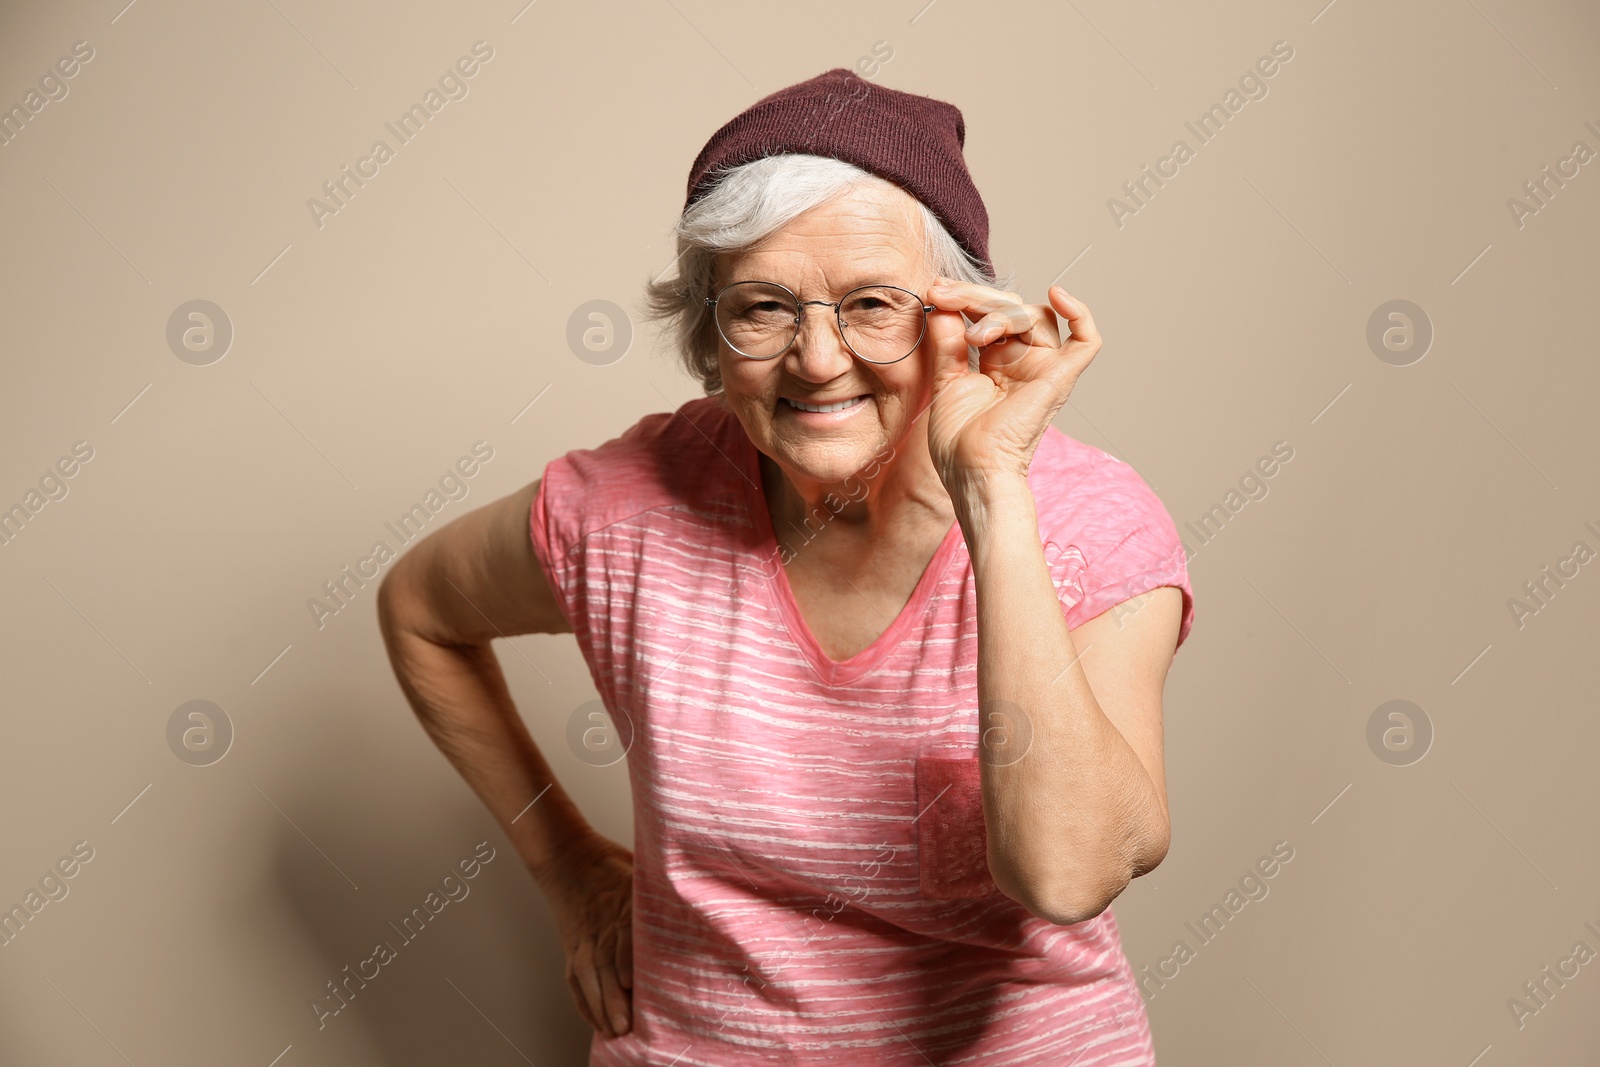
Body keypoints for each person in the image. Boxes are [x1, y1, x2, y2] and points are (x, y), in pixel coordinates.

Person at [378, 67, 1195, 1066]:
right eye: (763, 307)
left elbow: (1069, 873)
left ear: (963, 315)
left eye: (872, 304)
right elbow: (419, 609)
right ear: (710, 332)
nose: (816, 357)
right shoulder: (623, 508)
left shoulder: (1089, 521)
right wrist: (572, 870)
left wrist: (992, 492)